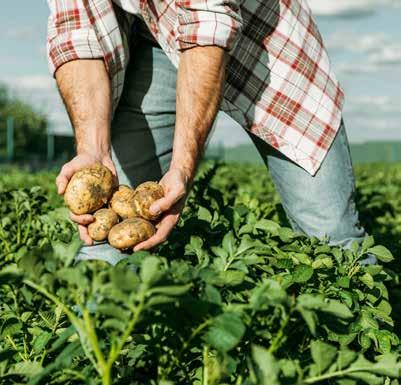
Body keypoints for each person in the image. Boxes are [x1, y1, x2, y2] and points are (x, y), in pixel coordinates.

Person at [46, 0, 371, 265]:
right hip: (150, 36)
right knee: (107, 238)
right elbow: (77, 31)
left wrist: (182, 169)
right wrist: (93, 149)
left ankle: (355, 339)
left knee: (331, 237)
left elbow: (207, 24)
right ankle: (99, 334)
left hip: (266, 40)